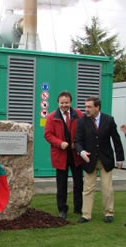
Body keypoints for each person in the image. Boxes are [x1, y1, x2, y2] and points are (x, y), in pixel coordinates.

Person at [74, 96, 124, 224]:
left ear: (97, 107)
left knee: (107, 188)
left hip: (105, 160)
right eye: (85, 106)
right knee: (88, 188)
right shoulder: (81, 121)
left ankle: (109, 213)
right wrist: (81, 152)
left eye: (89, 107)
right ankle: (86, 215)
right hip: (89, 160)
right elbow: (77, 141)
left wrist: (120, 158)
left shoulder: (109, 120)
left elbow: (116, 140)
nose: (86, 109)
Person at [44, 91, 83, 219]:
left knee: (79, 182)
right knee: (61, 184)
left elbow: (83, 130)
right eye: (62, 103)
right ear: (58, 103)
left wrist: (77, 144)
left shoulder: (78, 114)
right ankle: (62, 209)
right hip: (60, 154)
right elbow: (48, 135)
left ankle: (79, 208)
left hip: (76, 154)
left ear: (70, 102)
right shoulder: (50, 117)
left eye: (66, 103)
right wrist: (60, 143)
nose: (64, 105)